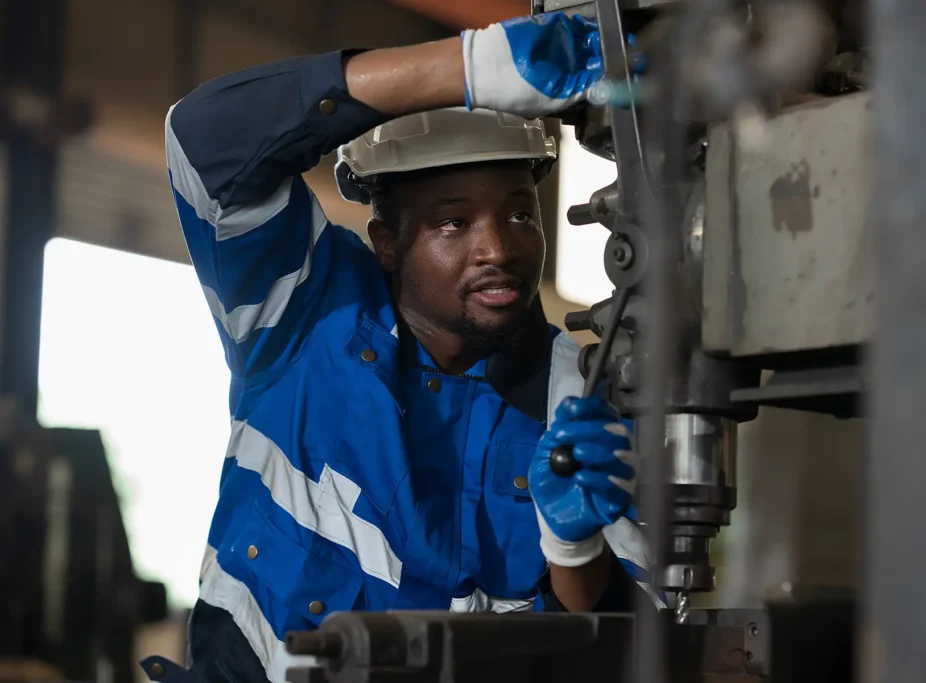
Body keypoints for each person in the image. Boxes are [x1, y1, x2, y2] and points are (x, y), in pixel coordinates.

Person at [164, 12, 652, 683]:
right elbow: (203, 141)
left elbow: (633, 632)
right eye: (456, 220)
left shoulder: (576, 396)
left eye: (519, 213)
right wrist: (472, 68)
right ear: (387, 241)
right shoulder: (302, 311)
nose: (499, 249)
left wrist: (572, 543)